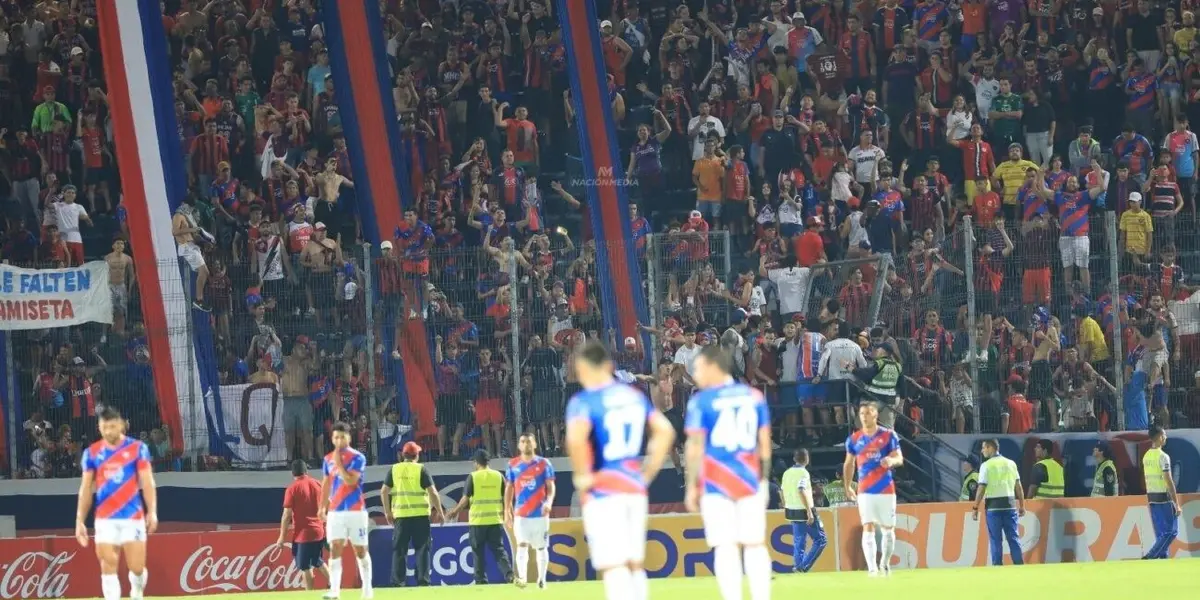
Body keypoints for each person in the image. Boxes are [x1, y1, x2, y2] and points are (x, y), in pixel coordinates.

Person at [564, 341, 674, 600]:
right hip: (633, 485)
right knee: (634, 562)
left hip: (603, 488)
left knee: (613, 564)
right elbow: (665, 430)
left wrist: (583, 478)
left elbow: (576, 441)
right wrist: (646, 472)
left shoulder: (583, 401)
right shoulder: (632, 397)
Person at [683, 345, 772, 600]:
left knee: (725, 546)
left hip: (716, 482)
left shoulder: (701, 401)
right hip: (750, 479)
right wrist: (764, 480)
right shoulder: (754, 397)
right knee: (755, 544)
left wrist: (691, 485)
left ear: (713, 366)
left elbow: (695, 447)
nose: (696, 375)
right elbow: (764, 444)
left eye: (698, 368)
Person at [74, 406, 157, 600]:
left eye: (112, 426)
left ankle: (137, 591)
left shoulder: (137, 449)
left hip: (132, 516)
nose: (109, 431)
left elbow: (147, 481)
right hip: (105, 518)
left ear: (121, 425)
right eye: (105, 427)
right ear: (99, 427)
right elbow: (86, 488)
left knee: (136, 567)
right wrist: (79, 520)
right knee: (107, 564)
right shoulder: (92, 453)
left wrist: (151, 511)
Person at [842, 401, 903, 577]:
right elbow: (849, 463)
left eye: (868, 413)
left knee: (888, 530)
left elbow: (899, 457)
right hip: (865, 490)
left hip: (886, 489)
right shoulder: (854, 439)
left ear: (876, 415)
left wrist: (891, 461)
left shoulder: (888, 436)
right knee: (867, 526)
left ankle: (884, 562)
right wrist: (847, 486)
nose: (864, 416)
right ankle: (872, 569)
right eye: (861, 413)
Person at [317, 422, 372, 600]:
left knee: (360, 550)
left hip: (356, 510)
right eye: (336, 437)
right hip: (336, 511)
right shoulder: (326, 459)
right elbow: (326, 484)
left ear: (349, 437)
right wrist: (321, 507)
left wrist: (339, 463)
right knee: (334, 548)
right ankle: (334, 590)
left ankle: (367, 589)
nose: (339, 440)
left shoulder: (358, 458)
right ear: (332, 439)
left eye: (342, 437)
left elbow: (350, 481)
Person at [380, 441, 444, 587]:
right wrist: (439, 511)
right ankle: (423, 581)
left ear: (403, 455)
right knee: (422, 550)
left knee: (399, 550)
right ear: (417, 455)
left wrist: (387, 512)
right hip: (420, 516)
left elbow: (384, 491)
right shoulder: (421, 469)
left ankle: (398, 583)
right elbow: (433, 492)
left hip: (401, 517)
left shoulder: (394, 469)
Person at [446, 450, 514, 586]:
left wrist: (454, 511)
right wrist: (509, 514)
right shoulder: (498, 476)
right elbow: (507, 499)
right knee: (499, 551)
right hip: (495, 521)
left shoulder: (473, 477)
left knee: (478, 553)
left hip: (478, 523)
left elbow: (465, 500)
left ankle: (481, 581)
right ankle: (509, 575)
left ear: (476, 463)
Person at [504, 433, 556, 588]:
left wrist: (549, 501)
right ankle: (523, 579)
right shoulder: (512, 464)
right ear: (519, 445)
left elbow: (550, 486)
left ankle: (542, 579)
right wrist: (507, 510)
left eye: (529, 441)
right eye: (522, 441)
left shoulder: (544, 464)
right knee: (521, 545)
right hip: (521, 515)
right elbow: (509, 488)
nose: (526, 444)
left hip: (540, 514)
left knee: (541, 546)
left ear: (535, 444)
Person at [276, 459, 330, 590]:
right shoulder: (317, 483)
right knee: (317, 560)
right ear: (306, 470)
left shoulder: (292, 488)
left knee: (305, 566)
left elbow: (286, 515)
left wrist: (281, 537)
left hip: (303, 534)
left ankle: (309, 594)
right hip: (318, 531)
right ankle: (334, 583)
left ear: (292, 473)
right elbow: (329, 501)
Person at [971, 438, 1025, 566]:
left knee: (995, 540)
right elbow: (1018, 486)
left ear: (991, 448)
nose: (982, 451)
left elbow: (982, 487)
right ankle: (1019, 565)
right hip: (1010, 505)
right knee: (1013, 538)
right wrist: (1022, 505)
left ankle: (997, 567)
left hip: (993, 507)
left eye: (984, 448)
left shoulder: (986, 465)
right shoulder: (1011, 463)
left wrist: (975, 507)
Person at [781, 448, 826, 573]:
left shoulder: (787, 473)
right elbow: (801, 489)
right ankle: (802, 566)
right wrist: (809, 511)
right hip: (803, 510)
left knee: (799, 541)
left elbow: (782, 490)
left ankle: (798, 566)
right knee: (821, 540)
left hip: (791, 510)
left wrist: (786, 505)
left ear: (794, 459)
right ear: (807, 459)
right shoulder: (804, 473)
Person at [1142, 425, 1181, 559]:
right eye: (1164, 435)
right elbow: (1168, 480)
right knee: (1172, 531)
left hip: (1151, 498)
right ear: (1159, 437)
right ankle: (1150, 556)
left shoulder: (1146, 456)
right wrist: (1177, 503)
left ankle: (1163, 562)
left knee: (1161, 534)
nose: (1166, 437)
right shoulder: (1163, 456)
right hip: (1164, 498)